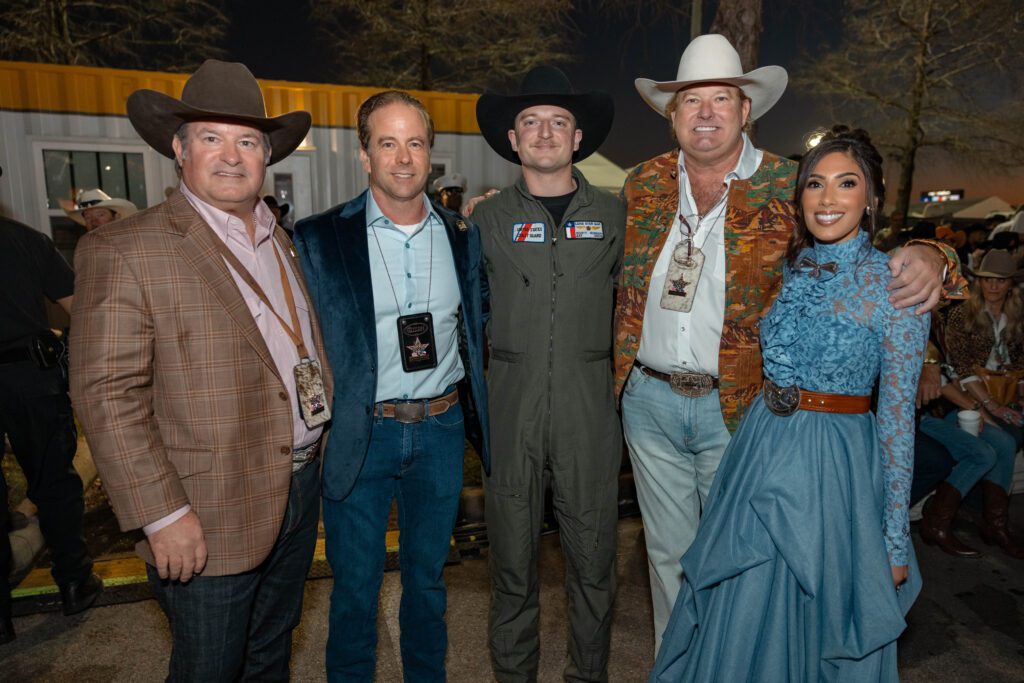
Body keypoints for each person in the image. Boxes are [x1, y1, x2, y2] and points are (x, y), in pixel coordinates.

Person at [613, 34, 961, 650]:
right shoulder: (642, 184)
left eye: (722, 98)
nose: (706, 113)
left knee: (741, 565)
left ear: (746, 110)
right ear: (672, 114)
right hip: (649, 401)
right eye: (691, 101)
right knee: (669, 561)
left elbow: (866, 258)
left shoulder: (791, 185)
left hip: (745, 411)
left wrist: (936, 253)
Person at [70, 60, 330, 680]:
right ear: (179, 150)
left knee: (270, 656)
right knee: (209, 668)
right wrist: (161, 513)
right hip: (204, 509)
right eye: (212, 138)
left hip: (299, 487)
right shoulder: (127, 248)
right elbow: (107, 393)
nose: (232, 155)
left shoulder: (280, 237)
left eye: (247, 141)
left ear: (266, 157)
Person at [651, 125, 927, 681]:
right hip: (760, 450)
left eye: (846, 184)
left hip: (833, 471)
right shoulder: (793, 267)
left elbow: (898, 421)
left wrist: (894, 541)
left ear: (871, 197)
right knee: (741, 602)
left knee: (817, 622)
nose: (827, 199)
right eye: (815, 185)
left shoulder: (896, 284)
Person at [292, 90, 490, 682]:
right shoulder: (319, 238)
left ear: (430, 154)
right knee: (355, 588)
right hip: (360, 433)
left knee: (428, 582)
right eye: (387, 143)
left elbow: (477, 326)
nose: (402, 157)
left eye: (415, 143)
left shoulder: (461, 235)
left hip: (441, 430)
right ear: (364, 155)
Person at [472, 66, 623, 681]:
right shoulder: (483, 221)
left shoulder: (616, 217)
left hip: (590, 415)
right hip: (511, 415)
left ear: (577, 136)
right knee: (510, 567)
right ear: (512, 139)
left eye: (558, 121)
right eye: (530, 121)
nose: (544, 132)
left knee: (593, 565)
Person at [1, 181, 102, 645]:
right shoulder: (27, 241)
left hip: (28, 375)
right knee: (54, 483)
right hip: (30, 378)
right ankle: (75, 581)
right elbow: (78, 309)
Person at [942, 248, 1024, 558]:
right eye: (987, 280)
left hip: (1002, 395)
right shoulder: (963, 313)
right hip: (964, 397)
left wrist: (1017, 401)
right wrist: (991, 405)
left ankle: (991, 519)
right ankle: (994, 523)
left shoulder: (1017, 315)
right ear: (978, 281)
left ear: (1010, 285)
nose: (993, 287)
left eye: (1000, 281)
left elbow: (1019, 367)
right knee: (1004, 442)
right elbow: (960, 369)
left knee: (1012, 435)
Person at [62, 188, 137, 232]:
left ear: (116, 217)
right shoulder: (85, 247)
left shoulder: (130, 242)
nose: (94, 221)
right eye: (88, 217)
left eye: (100, 215)